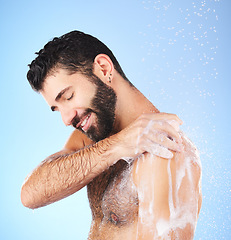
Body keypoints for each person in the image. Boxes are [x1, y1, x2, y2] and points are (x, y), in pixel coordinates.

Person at [21, 30, 202, 239]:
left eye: (68, 96)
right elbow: (30, 195)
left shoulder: (164, 150)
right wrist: (117, 146)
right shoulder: (96, 137)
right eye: (57, 109)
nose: (66, 119)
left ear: (103, 69)